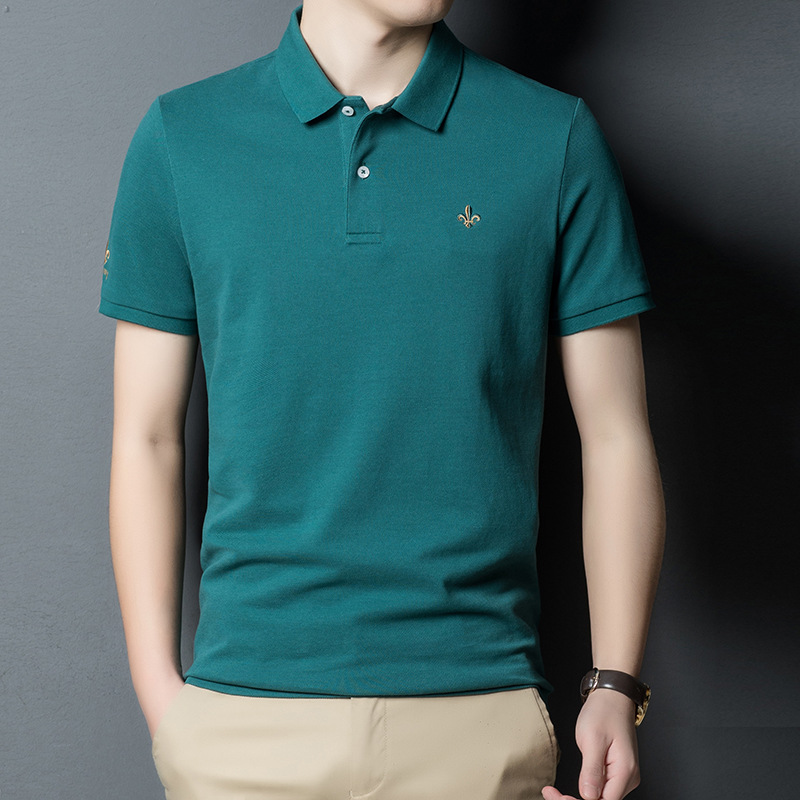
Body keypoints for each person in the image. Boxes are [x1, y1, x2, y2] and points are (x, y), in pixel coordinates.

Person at [98, 1, 666, 798]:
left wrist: (614, 684)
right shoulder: (184, 137)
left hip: (478, 720)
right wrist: (162, 698)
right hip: (243, 724)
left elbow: (616, 437)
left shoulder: (553, 136)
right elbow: (147, 437)